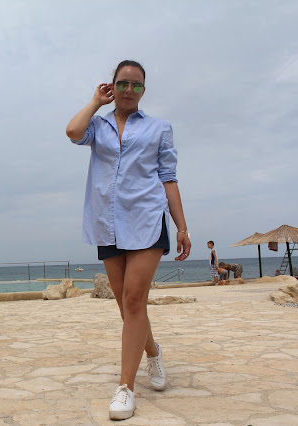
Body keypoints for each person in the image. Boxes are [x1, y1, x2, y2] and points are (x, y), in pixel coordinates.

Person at [66, 60, 191, 420]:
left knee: (135, 299)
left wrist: (181, 227)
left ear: (144, 90)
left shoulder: (159, 127)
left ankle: (126, 388)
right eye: (123, 83)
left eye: (137, 85)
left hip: (147, 218)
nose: (129, 90)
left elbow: (168, 177)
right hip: (107, 222)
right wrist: (95, 102)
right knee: (125, 305)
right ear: (112, 86)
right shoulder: (98, 125)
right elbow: (73, 131)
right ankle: (152, 351)